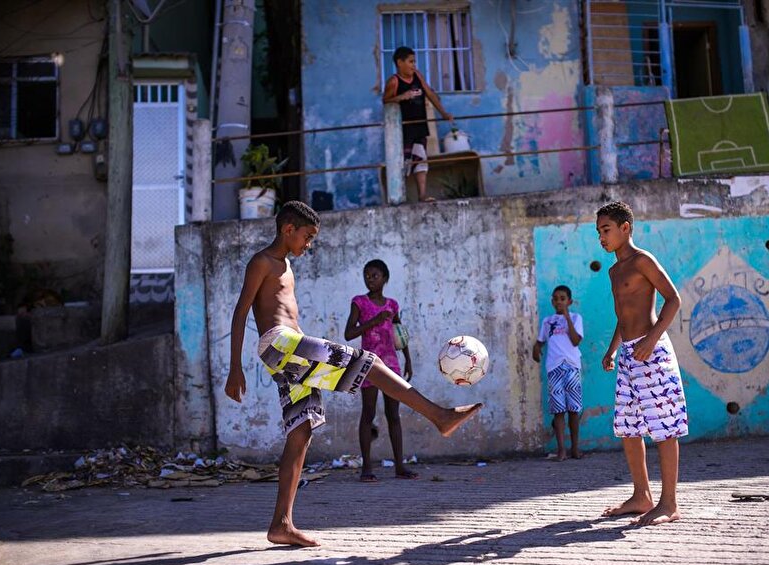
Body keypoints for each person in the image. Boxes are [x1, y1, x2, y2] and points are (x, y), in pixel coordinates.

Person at [224, 201, 482, 547]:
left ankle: (281, 524)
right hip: (280, 344)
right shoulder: (262, 262)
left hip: (291, 347)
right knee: (370, 361)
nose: (309, 244)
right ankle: (439, 415)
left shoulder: (286, 266)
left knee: (301, 430)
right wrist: (234, 368)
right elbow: (241, 313)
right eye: (307, 236)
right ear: (288, 229)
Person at [596, 200, 688, 526]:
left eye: (606, 230)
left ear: (625, 228)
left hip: (653, 352)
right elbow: (624, 315)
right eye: (598, 232)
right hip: (628, 355)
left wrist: (652, 338)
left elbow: (673, 298)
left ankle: (670, 503)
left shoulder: (642, 260)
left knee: (664, 427)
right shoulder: (614, 270)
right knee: (628, 427)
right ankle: (641, 495)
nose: (602, 238)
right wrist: (612, 349)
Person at [344, 259, 418, 482]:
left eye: (374, 275)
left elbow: (400, 334)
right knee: (368, 414)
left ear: (385, 278)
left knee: (393, 415)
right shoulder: (359, 303)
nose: (370, 279)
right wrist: (375, 320)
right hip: (369, 364)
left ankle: (400, 467)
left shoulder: (392, 305)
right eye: (367, 275)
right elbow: (349, 333)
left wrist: (408, 360)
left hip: (391, 364)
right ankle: (366, 468)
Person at [382, 46, 454, 202]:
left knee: (421, 160)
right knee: (403, 162)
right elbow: (385, 100)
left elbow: (430, 94)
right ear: (399, 63)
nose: (414, 65)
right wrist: (402, 96)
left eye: (414, 61)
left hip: (420, 125)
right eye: (410, 61)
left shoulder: (417, 76)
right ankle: (398, 198)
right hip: (404, 128)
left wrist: (443, 113)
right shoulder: (393, 81)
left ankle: (422, 195)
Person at [532, 285, 584, 461]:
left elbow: (576, 341)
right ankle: (561, 450)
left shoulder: (576, 318)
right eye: (556, 298)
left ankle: (575, 448)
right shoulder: (548, 321)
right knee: (558, 410)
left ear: (569, 301)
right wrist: (536, 348)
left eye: (563, 298)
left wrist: (567, 316)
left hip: (572, 367)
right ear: (552, 302)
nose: (559, 301)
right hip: (554, 368)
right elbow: (541, 341)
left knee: (574, 410)